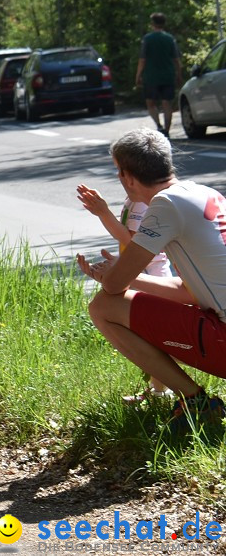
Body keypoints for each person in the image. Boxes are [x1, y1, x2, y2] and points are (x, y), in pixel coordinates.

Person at [76, 128, 226, 433]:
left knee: (103, 307)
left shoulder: (165, 205)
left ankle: (197, 402)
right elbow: (188, 291)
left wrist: (113, 275)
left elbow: (114, 288)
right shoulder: (203, 193)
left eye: (118, 172)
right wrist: (129, 277)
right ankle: (189, 398)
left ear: (128, 177)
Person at [76, 182, 173, 399]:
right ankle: (159, 391)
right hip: (142, 273)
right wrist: (113, 268)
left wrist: (103, 212)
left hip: (152, 277)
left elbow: (130, 240)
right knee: (147, 339)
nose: (120, 178)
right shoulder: (135, 200)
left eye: (122, 170)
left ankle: (163, 393)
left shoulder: (143, 203)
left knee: (152, 341)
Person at [133, 12, 183, 137]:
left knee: (151, 103)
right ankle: (167, 130)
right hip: (168, 75)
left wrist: (138, 75)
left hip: (151, 77)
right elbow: (176, 59)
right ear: (164, 23)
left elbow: (142, 59)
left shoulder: (147, 39)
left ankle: (159, 126)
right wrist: (179, 74)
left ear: (152, 24)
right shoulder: (169, 38)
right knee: (167, 103)